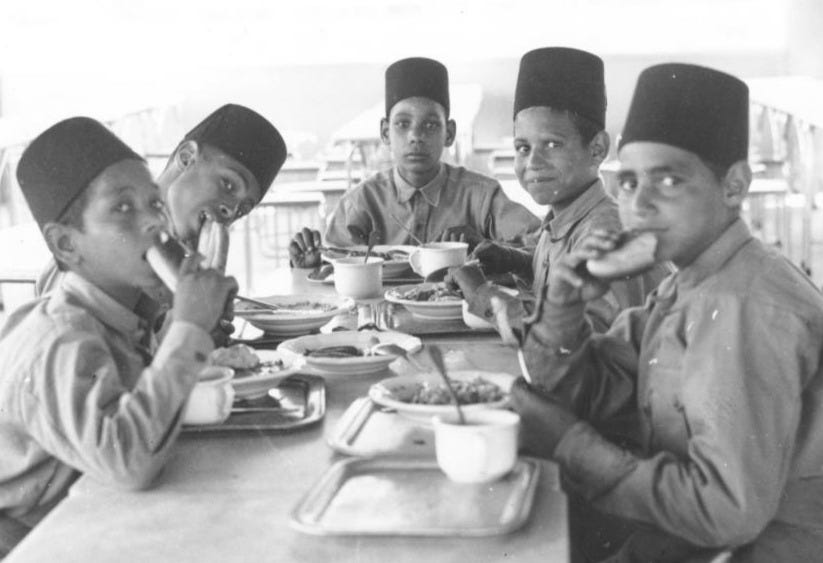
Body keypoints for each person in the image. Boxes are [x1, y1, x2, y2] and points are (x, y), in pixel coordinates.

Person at [511, 63, 823, 562]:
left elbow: (726, 512)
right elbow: (593, 391)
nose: (639, 204)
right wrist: (562, 309)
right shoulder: (687, 282)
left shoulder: (744, 305)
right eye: (628, 182)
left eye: (669, 180)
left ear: (734, 186)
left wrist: (568, 444)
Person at [0, 117, 238, 556]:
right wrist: (187, 329)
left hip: (91, 519)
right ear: (66, 245)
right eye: (123, 208)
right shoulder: (58, 338)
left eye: (155, 203)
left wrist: (193, 326)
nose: (154, 223)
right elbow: (128, 460)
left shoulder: (123, 315)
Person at [451, 47, 668, 335]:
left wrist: (481, 294)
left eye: (552, 145)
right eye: (523, 148)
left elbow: (575, 339)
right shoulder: (563, 219)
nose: (533, 162)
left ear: (597, 149)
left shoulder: (605, 235)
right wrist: (518, 262)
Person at [289, 57, 540, 268]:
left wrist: (488, 247)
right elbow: (334, 266)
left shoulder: (481, 196)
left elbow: (541, 244)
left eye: (430, 125)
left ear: (449, 133)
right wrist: (312, 262)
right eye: (402, 124)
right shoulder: (361, 203)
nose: (416, 136)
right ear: (385, 132)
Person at [35, 103, 287, 292]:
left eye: (243, 208)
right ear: (186, 158)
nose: (230, 210)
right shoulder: (99, 254)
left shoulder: (180, 256)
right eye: (228, 185)